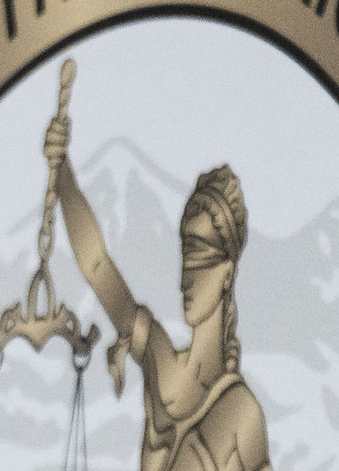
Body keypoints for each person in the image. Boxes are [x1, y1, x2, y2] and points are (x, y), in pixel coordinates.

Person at [46, 106, 271, 471]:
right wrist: (62, 174)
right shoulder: (159, 360)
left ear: (227, 274)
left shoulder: (241, 413)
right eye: (185, 259)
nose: (186, 278)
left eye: (201, 259)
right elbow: (97, 266)